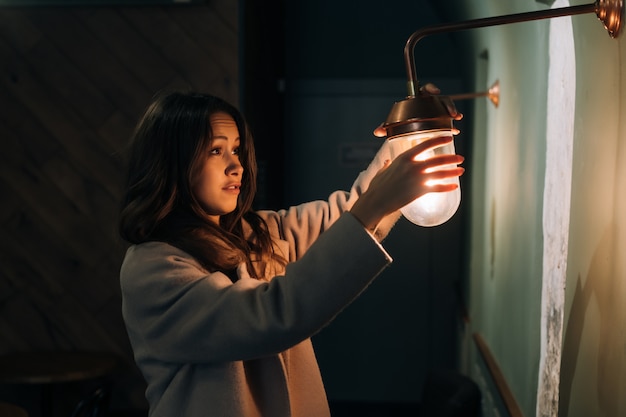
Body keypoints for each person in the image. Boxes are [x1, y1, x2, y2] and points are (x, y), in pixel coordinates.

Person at [118, 88, 464, 417]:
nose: (235, 165)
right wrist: (377, 201)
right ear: (171, 163)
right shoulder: (152, 269)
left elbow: (347, 217)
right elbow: (271, 316)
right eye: (214, 150)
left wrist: (412, 135)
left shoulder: (258, 235)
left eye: (237, 149)